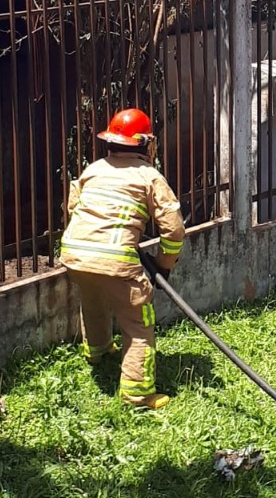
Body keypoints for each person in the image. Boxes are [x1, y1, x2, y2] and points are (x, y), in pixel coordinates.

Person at [60, 108, 185, 410]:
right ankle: (138, 394)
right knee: (138, 323)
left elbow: (73, 206)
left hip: (74, 253)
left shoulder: (93, 169)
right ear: (145, 144)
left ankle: (98, 351)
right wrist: (163, 266)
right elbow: (174, 229)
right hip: (116, 259)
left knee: (93, 300)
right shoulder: (148, 176)